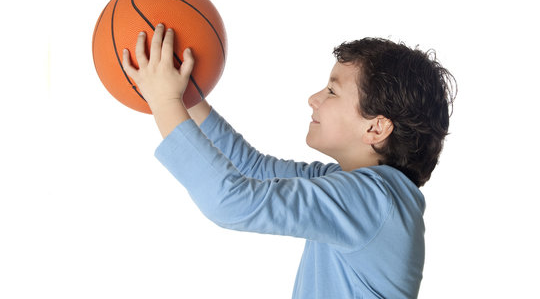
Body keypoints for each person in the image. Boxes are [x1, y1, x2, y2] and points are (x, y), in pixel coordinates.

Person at [122, 23, 456, 298]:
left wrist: (165, 100)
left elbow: (230, 201)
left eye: (332, 91)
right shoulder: (358, 189)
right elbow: (252, 169)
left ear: (376, 127)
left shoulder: (370, 201)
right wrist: (188, 97)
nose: (314, 99)